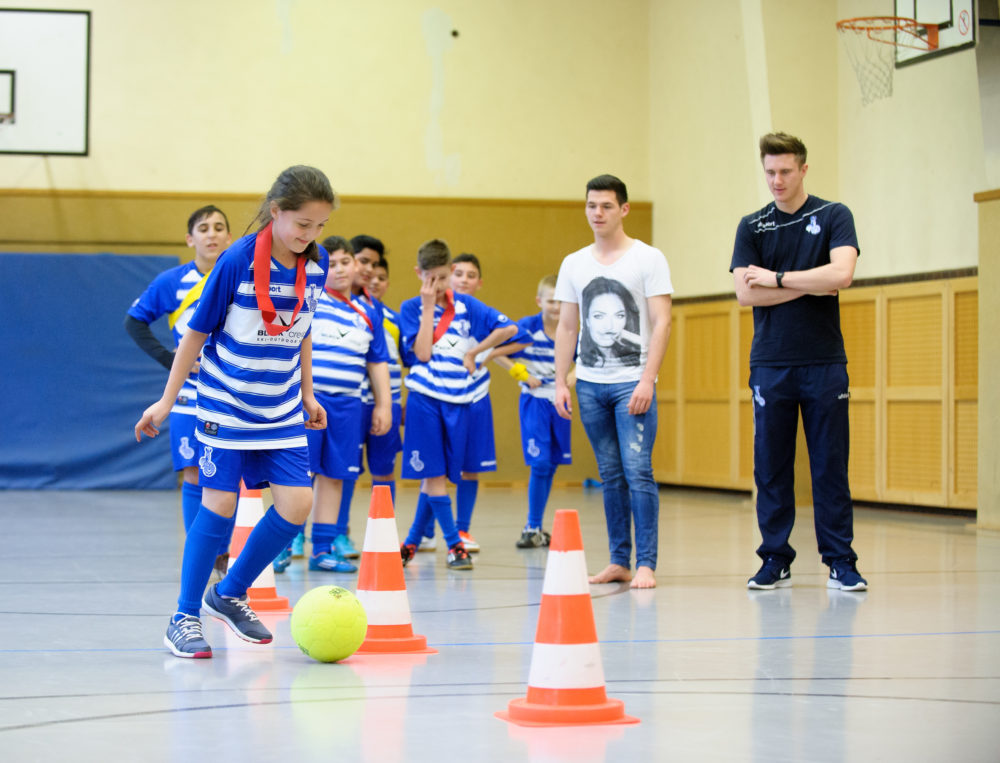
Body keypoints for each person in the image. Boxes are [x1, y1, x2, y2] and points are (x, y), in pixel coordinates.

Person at [135, 165, 336, 658]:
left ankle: (227, 593)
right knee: (219, 505)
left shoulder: (319, 264)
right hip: (225, 404)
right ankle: (182, 616)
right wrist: (166, 400)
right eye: (301, 225)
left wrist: (308, 393)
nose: (310, 236)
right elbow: (195, 334)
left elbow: (302, 327)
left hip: (282, 408)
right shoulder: (237, 261)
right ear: (276, 213)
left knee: (297, 505)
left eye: (320, 227)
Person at [731, 132, 867, 592]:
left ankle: (840, 561)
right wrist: (810, 283)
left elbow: (842, 274)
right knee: (770, 464)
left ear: (803, 169)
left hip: (825, 361)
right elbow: (745, 294)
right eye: (769, 172)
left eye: (785, 171)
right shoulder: (752, 226)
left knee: (830, 463)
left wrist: (777, 279)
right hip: (771, 364)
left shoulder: (833, 215)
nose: (777, 180)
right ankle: (775, 558)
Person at [554, 174, 673, 590]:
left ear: (623, 209)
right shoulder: (574, 263)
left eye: (606, 206)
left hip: (631, 384)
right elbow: (568, 327)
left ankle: (647, 564)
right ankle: (619, 560)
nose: (597, 213)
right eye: (591, 205)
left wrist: (647, 380)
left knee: (638, 470)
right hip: (589, 383)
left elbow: (661, 322)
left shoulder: (648, 258)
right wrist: (560, 382)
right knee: (610, 473)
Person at [125, 205, 234, 580]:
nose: (212, 233)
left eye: (219, 227)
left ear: (229, 238)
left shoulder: (241, 278)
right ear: (191, 239)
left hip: (233, 396)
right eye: (203, 228)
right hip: (189, 396)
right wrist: (171, 360)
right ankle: (203, 555)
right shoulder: (171, 282)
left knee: (227, 477)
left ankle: (224, 553)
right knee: (193, 472)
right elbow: (134, 321)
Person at [397, 239, 518, 570]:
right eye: (429, 279)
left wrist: (475, 352)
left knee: (440, 475)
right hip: (424, 399)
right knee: (433, 475)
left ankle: (409, 543)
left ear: (450, 272)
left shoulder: (466, 306)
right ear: (418, 274)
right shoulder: (410, 307)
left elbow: (510, 328)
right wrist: (425, 306)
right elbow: (421, 354)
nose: (436, 286)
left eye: (441, 278)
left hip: (460, 400)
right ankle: (454, 545)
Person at [295, 235, 390, 574]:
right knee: (298, 476)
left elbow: (377, 362)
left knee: (335, 477)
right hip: (308, 403)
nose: (338, 270)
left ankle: (323, 549)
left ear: (357, 266)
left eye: (344, 262)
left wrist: (384, 406)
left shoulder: (368, 312)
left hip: (349, 407)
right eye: (330, 264)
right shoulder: (309, 301)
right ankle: (282, 546)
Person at [416, 252, 496, 553]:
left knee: (467, 466)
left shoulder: (477, 312)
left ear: (479, 282)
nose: (463, 279)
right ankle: (423, 532)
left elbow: (514, 335)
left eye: (470, 275)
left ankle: (461, 530)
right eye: (458, 273)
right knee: (433, 468)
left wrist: (481, 354)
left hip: (472, 397)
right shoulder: (426, 309)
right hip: (436, 397)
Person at [489, 274, 573, 547]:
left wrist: (568, 380)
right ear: (539, 301)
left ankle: (536, 528)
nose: (557, 307)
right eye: (551, 301)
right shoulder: (526, 328)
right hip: (534, 399)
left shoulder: (571, 329)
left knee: (550, 465)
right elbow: (496, 351)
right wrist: (520, 372)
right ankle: (531, 525)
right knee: (539, 463)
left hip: (559, 402)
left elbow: (583, 362)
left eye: (561, 301)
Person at [366, 255, 406, 508]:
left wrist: (403, 401)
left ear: (388, 283)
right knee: (338, 472)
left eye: (381, 278)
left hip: (388, 404)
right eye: (371, 277)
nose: (375, 282)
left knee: (383, 468)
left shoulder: (396, 320)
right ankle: (336, 532)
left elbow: (412, 362)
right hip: (354, 403)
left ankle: (385, 528)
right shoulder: (352, 314)